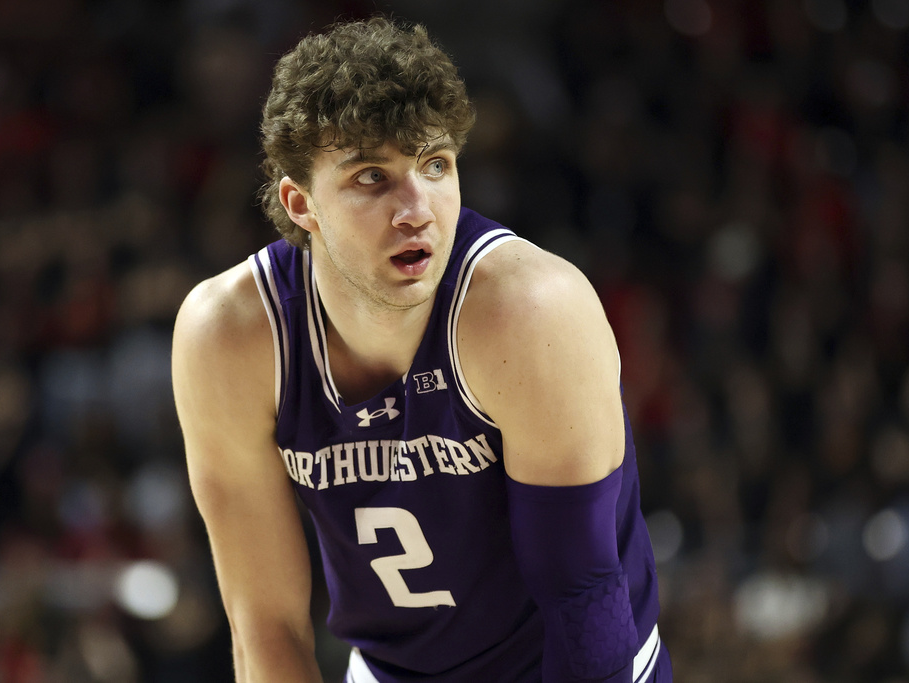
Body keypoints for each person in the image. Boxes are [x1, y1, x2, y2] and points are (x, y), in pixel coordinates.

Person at [172, 16, 672, 683]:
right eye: (372, 177)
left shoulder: (527, 311)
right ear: (301, 203)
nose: (417, 208)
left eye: (435, 165)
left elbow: (581, 596)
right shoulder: (230, 336)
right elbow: (267, 626)